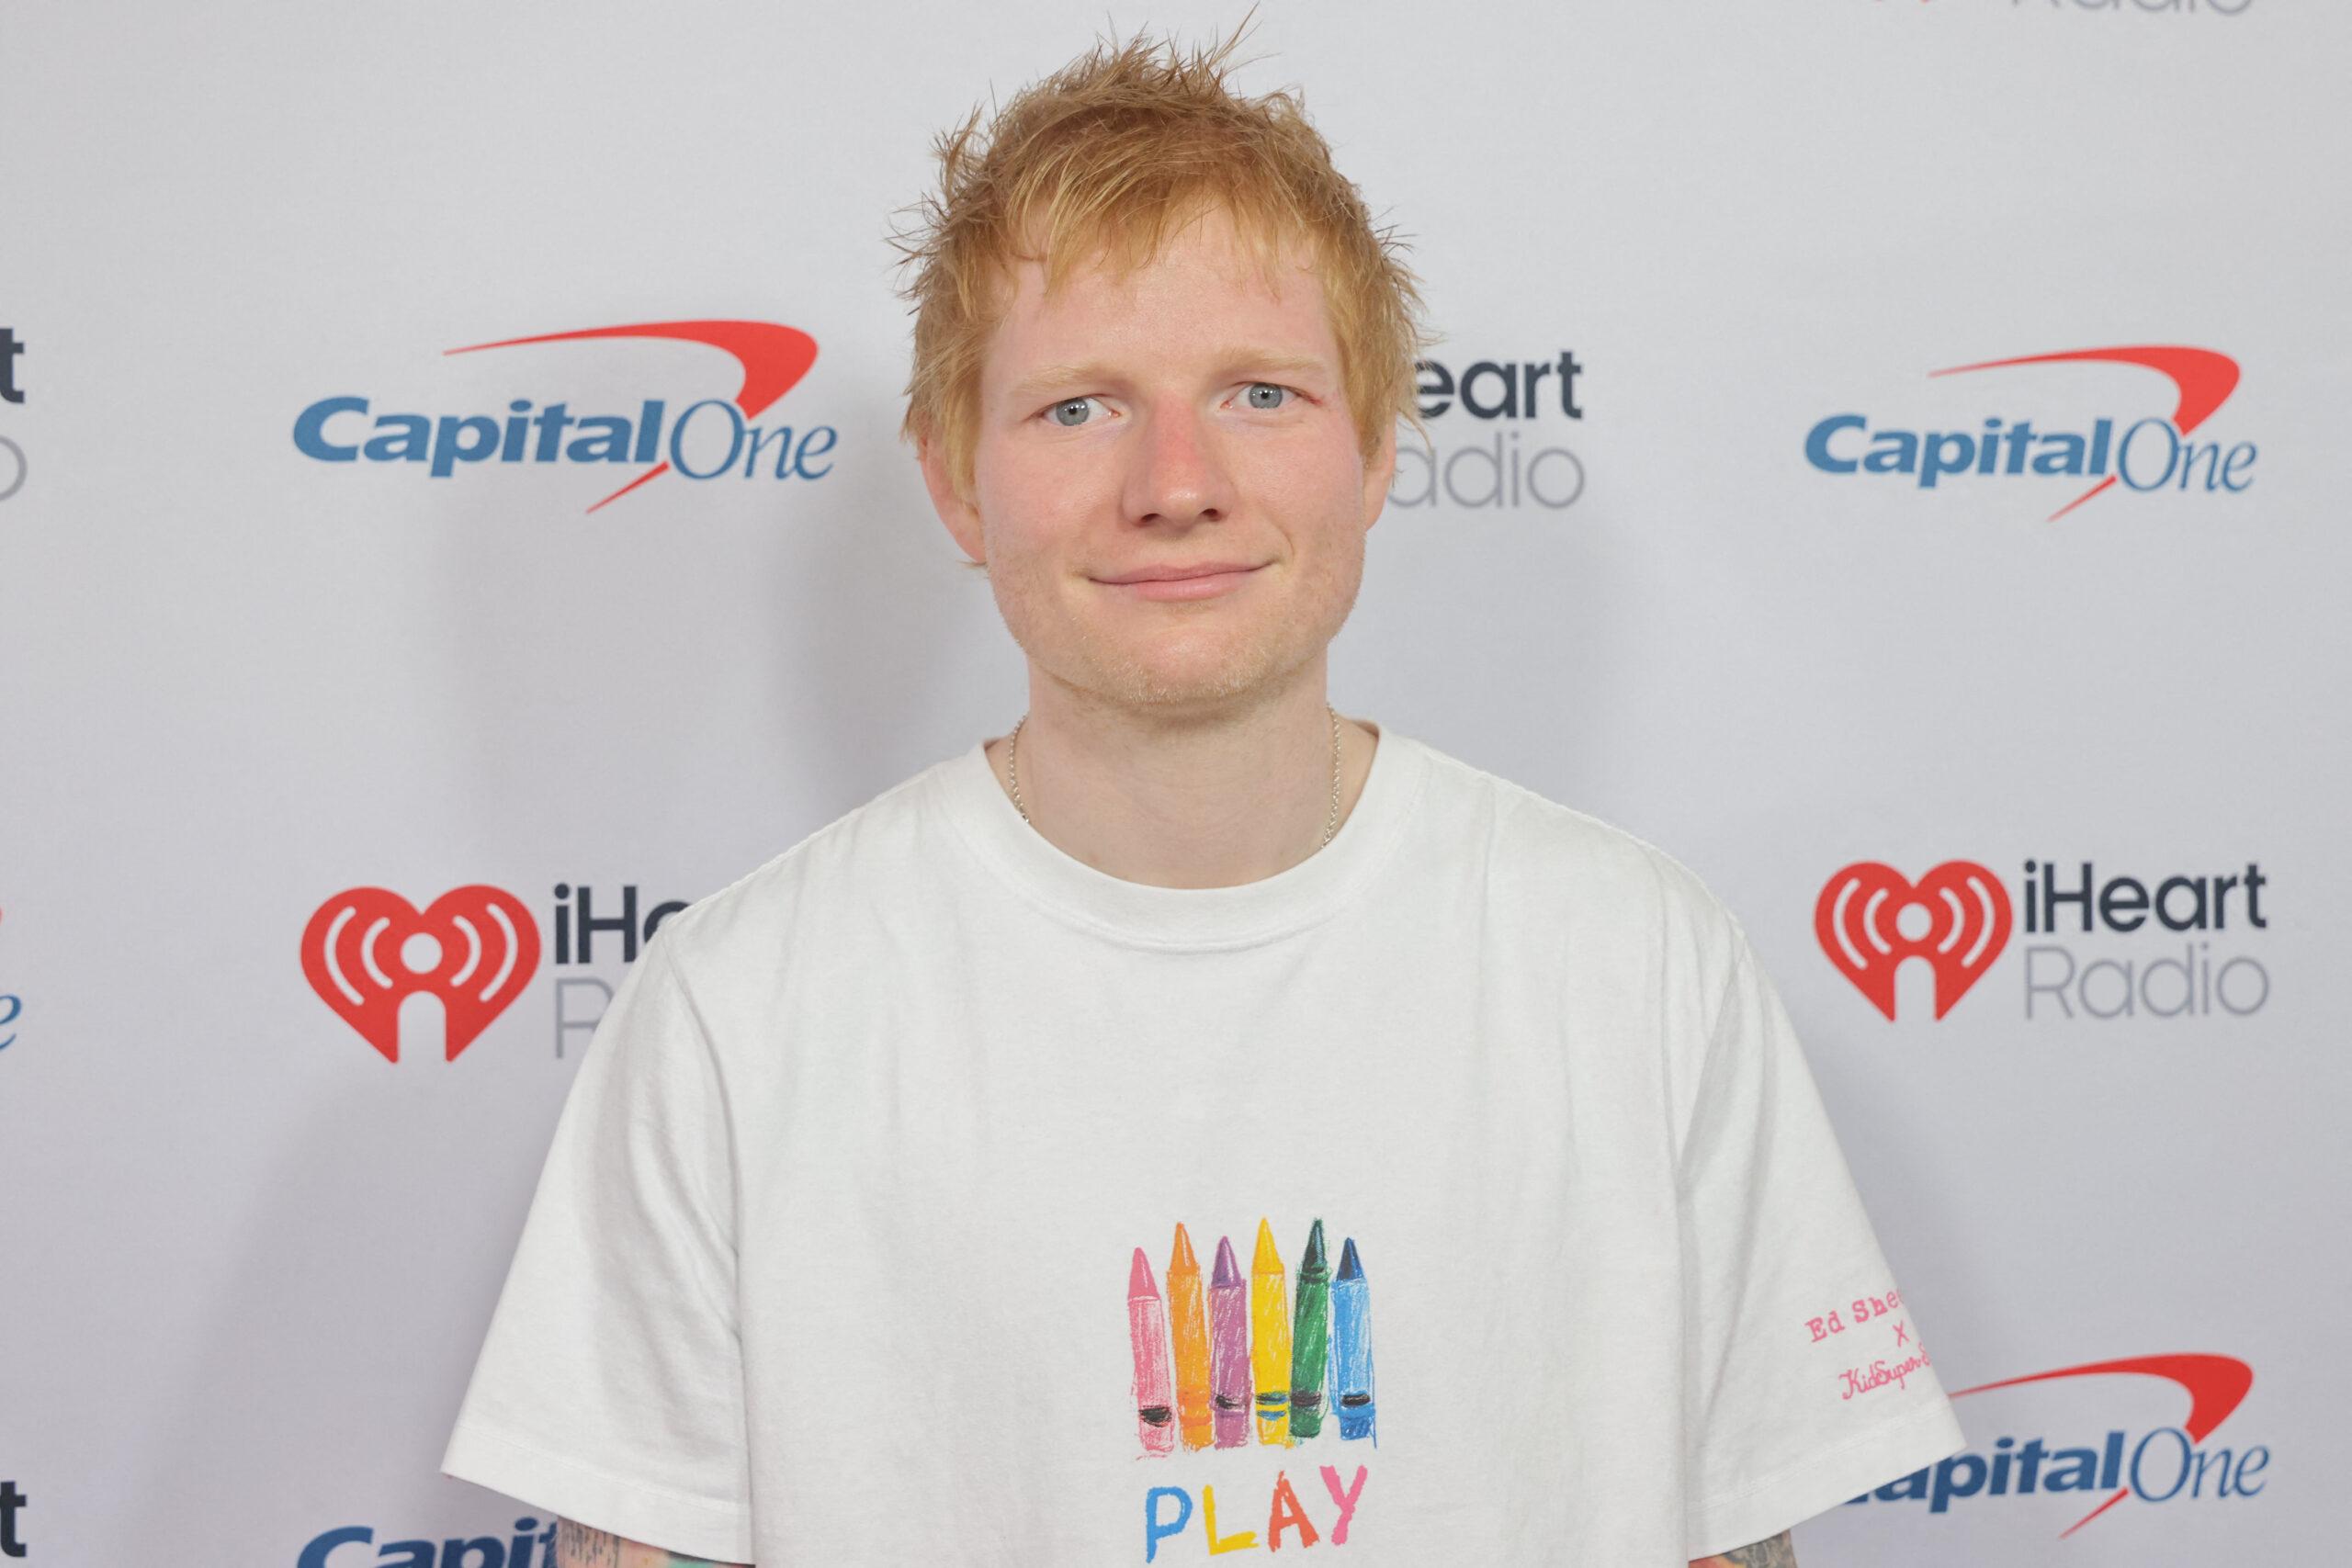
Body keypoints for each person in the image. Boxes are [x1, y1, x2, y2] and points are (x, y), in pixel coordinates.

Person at [441, 23, 1965, 1567]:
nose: (1177, 480)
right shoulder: (736, 1010)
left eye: (1259, 393)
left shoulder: (1638, 962)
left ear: (1373, 448)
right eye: (1079, 407)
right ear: (956, 480)